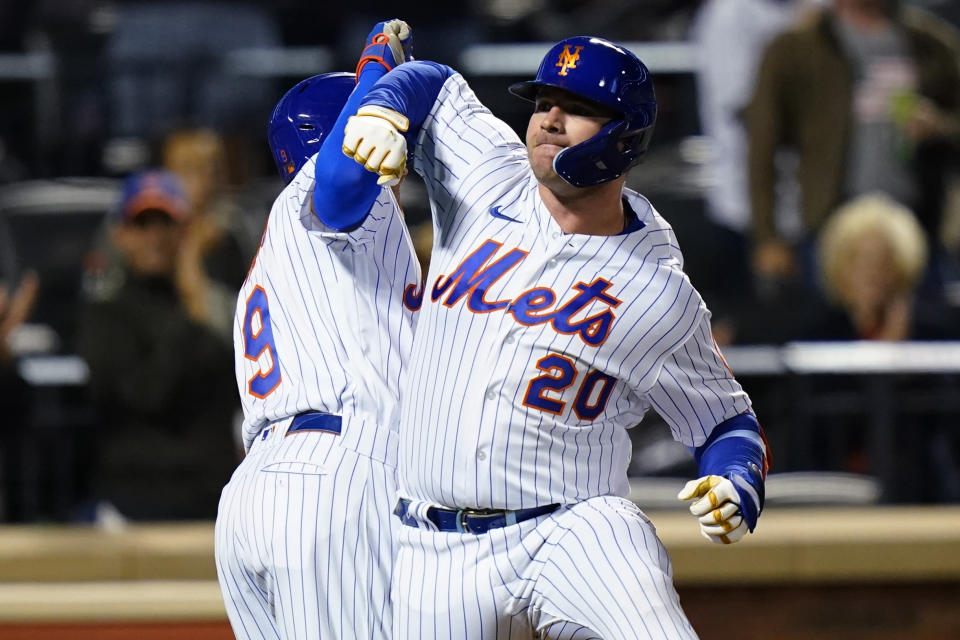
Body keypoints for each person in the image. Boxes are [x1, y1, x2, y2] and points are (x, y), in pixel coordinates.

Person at [338, 37, 770, 638]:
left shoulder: (656, 291)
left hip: (573, 528)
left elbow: (725, 423)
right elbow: (431, 80)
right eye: (543, 102)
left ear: (625, 134)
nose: (550, 119)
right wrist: (385, 108)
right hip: (436, 547)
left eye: (576, 105)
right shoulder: (488, 173)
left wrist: (735, 480)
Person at [213, 20, 421, 639]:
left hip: (255, 492)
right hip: (333, 479)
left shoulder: (272, 263)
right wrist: (377, 71)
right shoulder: (335, 196)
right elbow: (340, 177)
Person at [747, 0, 960, 288]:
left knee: (923, 328)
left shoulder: (932, 44)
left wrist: (938, 126)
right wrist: (767, 236)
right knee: (828, 330)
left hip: (918, 226)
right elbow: (762, 145)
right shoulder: (795, 48)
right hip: (830, 225)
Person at [77, 170, 238, 521]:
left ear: (184, 232)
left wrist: (196, 296)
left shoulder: (212, 303)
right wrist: (191, 305)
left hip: (215, 504)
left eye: (165, 223)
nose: (155, 237)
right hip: (133, 505)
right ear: (121, 235)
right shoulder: (106, 314)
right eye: (141, 224)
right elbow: (147, 393)